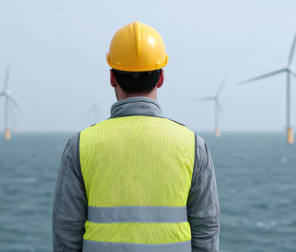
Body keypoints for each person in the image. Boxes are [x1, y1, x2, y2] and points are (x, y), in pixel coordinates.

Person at [52, 21, 220, 252]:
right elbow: (207, 232)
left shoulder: (80, 146)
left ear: (112, 77)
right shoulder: (194, 147)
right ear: (161, 78)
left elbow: (66, 236)